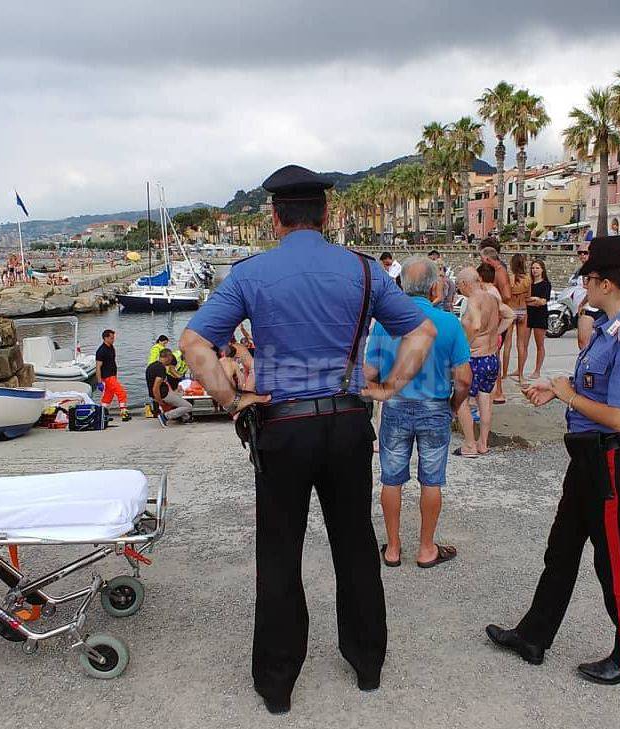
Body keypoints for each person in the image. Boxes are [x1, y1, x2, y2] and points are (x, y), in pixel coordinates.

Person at [179, 164, 435, 714]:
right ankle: (367, 664)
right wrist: (388, 387)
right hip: (345, 422)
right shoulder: (364, 271)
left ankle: (277, 685)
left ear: (275, 217)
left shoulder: (251, 274)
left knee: (279, 554)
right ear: (326, 214)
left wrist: (231, 398)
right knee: (355, 545)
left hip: (284, 426)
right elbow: (422, 332)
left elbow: (195, 342)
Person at [487, 234, 620, 686]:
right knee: (561, 549)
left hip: (612, 462)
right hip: (588, 459)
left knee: (616, 564)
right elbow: (595, 388)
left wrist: (569, 394)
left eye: (587, 276)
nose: (582, 283)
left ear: (604, 283)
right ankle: (533, 635)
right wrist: (561, 389)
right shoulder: (608, 328)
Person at [365, 257, 472, 570]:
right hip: (435, 407)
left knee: (391, 479)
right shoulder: (449, 323)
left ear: (401, 285)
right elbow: (464, 378)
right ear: (435, 287)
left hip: (396, 406)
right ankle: (426, 548)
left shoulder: (385, 324)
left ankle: (394, 548)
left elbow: (370, 371)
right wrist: (453, 406)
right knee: (431, 480)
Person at [454, 266, 512, 457]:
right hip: (491, 356)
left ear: (464, 284)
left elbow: (476, 325)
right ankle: (483, 443)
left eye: (458, 286)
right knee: (485, 399)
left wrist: (465, 344)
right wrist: (495, 332)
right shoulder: (492, 298)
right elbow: (510, 315)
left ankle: (470, 444)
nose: (459, 290)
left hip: (475, 356)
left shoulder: (473, 301)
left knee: (461, 400)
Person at [480, 246, 512, 403]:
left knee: (494, 354)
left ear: (487, 259)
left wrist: (495, 307)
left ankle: (498, 391)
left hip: (498, 318)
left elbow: (507, 295)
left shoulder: (500, 272)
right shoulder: (500, 271)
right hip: (498, 317)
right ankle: (496, 390)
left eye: (481, 259)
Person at [146, 348, 193, 426]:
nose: (171, 361)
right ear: (168, 357)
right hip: (164, 395)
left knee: (180, 393)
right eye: (171, 358)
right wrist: (159, 401)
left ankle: (184, 417)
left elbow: (162, 383)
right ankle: (165, 416)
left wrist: (175, 390)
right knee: (188, 406)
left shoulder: (151, 366)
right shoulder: (161, 369)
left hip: (164, 392)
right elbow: (155, 388)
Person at [505, 254, 532, 384]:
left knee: (507, 344)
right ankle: (521, 375)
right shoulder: (528, 279)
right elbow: (529, 296)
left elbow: (506, 295)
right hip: (523, 309)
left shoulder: (510, 279)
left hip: (511, 308)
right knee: (521, 344)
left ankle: (504, 373)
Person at [95, 329, 131, 421]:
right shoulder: (101, 351)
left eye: (113, 338)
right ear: (105, 338)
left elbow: (112, 362)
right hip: (107, 377)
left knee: (108, 396)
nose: (113, 340)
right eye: (111, 338)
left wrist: (115, 375)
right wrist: (99, 382)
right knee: (121, 393)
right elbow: (98, 367)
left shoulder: (111, 347)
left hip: (112, 375)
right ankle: (124, 412)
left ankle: (103, 413)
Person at [526, 258, 551, 380]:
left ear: (542, 270)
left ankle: (537, 370)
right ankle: (520, 368)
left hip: (540, 315)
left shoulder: (546, 284)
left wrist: (534, 300)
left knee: (539, 344)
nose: (534, 270)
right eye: (533, 268)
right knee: (523, 344)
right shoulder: (528, 284)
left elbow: (543, 301)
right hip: (528, 314)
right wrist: (534, 300)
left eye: (537, 268)